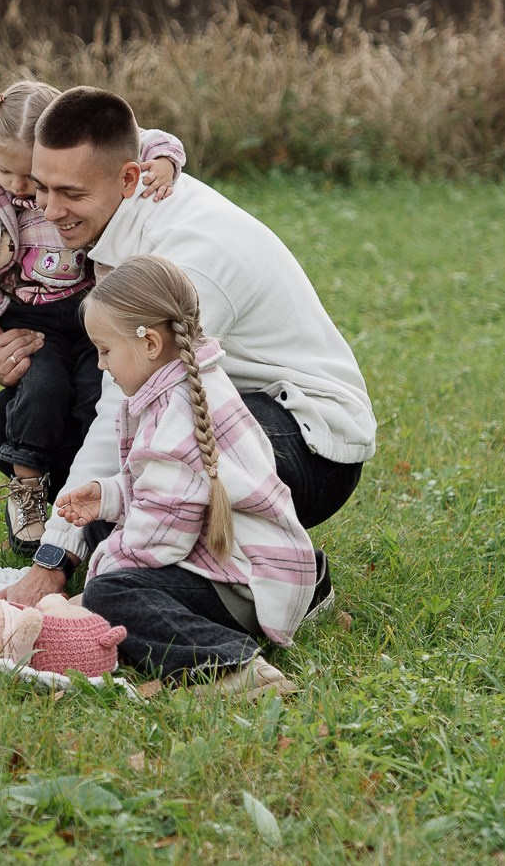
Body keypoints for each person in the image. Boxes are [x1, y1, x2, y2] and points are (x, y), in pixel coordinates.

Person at [0, 86, 373, 607]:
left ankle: (295, 577)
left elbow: (126, 405)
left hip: (304, 437)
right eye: (42, 189)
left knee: (138, 508)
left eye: (72, 195)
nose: (52, 212)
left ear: (129, 179)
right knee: (15, 425)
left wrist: (55, 559)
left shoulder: (187, 255)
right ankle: (205, 556)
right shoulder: (123, 199)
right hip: (214, 407)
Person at [0, 80, 183, 553]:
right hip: (29, 316)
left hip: (89, 306)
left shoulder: (65, 168)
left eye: (29, 174)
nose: (20, 187)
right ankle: (29, 487)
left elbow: (137, 137)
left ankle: (108, 499)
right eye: (7, 171)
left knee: (99, 393)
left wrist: (165, 162)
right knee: (41, 388)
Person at [57, 256, 329, 696]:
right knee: (103, 534)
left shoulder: (175, 416)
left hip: (241, 585)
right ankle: (302, 590)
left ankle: (230, 664)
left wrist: (90, 594)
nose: (102, 366)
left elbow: (160, 539)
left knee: (113, 593)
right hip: (248, 557)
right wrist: (110, 497)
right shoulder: (193, 380)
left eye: (105, 351)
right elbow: (167, 490)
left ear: (149, 344)